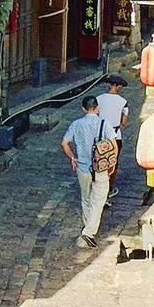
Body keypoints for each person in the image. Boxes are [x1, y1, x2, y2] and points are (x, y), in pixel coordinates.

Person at [62, 95, 116, 248]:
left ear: (84, 109)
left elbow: (64, 143)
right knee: (99, 200)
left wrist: (73, 157)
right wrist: (112, 162)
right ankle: (88, 232)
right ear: (97, 108)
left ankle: (88, 227)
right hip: (100, 168)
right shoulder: (104, 124)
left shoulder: (76, 124)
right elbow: (113, 144)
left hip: (83, 167)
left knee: (85, 199)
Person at [95, 77, 130, 184]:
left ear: (109, 85)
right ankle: (109, 185)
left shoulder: (98, 99)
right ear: (119, 87)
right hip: (115, 135)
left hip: (100, 134)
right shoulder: (123, 102)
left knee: (97, 159)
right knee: (113, 161)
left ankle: (97, 181)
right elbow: (124, 122)